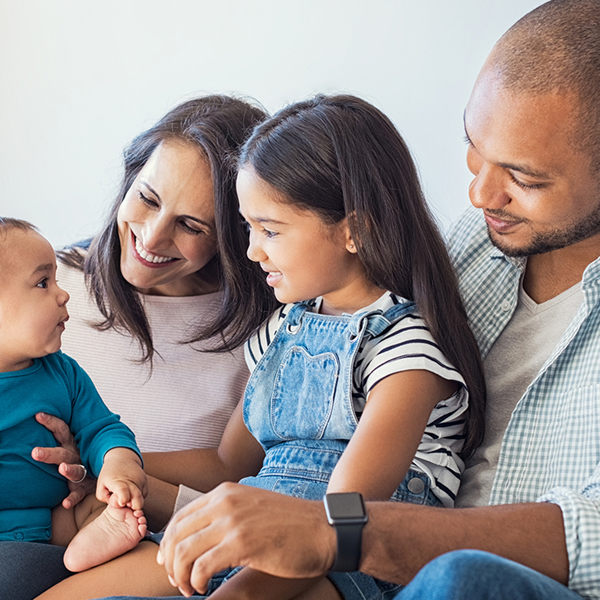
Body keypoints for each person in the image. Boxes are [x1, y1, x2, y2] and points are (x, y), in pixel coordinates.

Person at [150, 1, 600, 599]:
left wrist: (342, 531)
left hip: (447, 576)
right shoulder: (475, 244)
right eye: (473, 147)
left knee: (460, 579)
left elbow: (590, 536)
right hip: (368, 563)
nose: (480, 192)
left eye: (527, 178)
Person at [34, 95, 485, 600]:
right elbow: (230, 465)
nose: (250, 251)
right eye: (249, 227)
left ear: (354, 231)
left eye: (269, 230)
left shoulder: (405, 350)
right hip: (251, 520)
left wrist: (246, 577)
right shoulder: (282, 329)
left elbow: (342, 516)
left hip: (341, 557)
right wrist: (113, 460)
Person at [0, 96, 278, 600]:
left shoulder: (259, 336)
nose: (151, 236)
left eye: (192, 225)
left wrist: (110, 463)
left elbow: (233, 478)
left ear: (236, 235)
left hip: (134, 536)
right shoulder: (43, 285)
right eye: (147, 198)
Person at [0, 217, 147, 573]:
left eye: (56, 280)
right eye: (43, 282)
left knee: (100, 506)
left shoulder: (63, 372)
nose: (63, 294)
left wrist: (119, 467)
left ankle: (96, 537)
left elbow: (101, 428)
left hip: (59, 522)